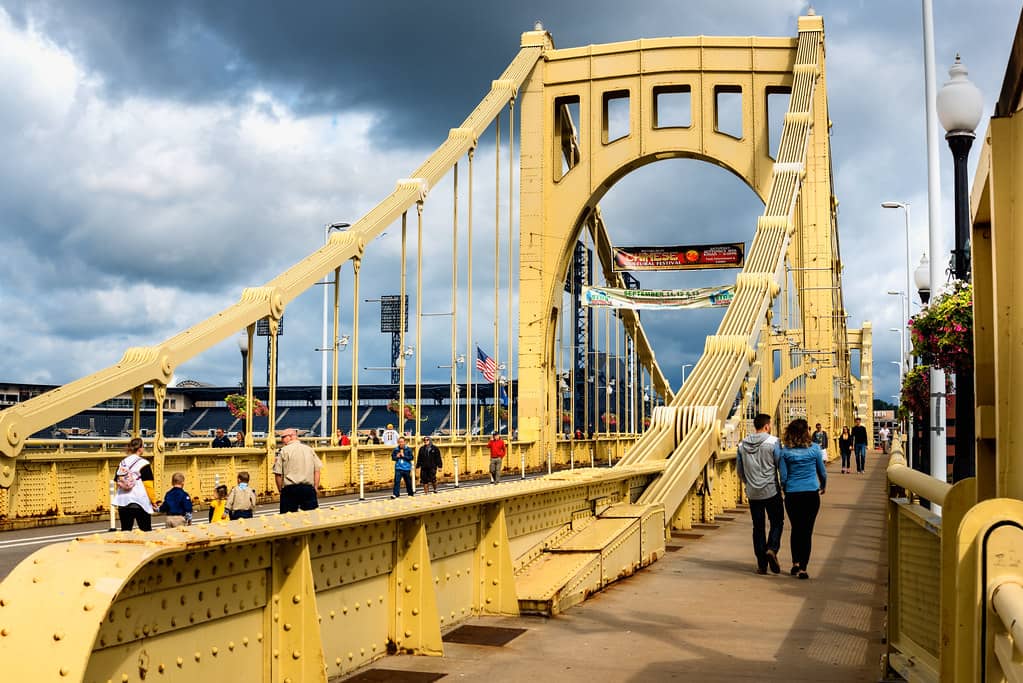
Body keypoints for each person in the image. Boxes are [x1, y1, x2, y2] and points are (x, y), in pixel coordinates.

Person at [777, 418, 827, 580]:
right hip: (811, 494)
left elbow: (783, 477)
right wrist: (823, 485)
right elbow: (822, 472)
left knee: (796, 529)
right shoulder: (815, 449)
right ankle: (803, 568)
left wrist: (786, 489)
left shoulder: (785, 452)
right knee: (807, 531)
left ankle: (795, 563)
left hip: (792, 495)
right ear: (806, 432)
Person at [736, 413, 783, 575]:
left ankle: (761, 564)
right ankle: (772, 548)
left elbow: (739, 471)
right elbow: (779, 466)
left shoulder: (742, 445)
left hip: (753, 493)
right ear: (767, 426)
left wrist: (748, 483)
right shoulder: (774, 442)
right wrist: (783, 484)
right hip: (771, 490)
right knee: (777, 521)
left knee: (758, 527)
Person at [273, 428, 323, 513]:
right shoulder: (309, 449)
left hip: (290, 489)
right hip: (308, 489)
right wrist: (315, 488)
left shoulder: (284, 451)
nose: (281, 440)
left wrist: (281, 490)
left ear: (291, 437)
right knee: (312, 517)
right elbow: (317, 470)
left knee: (287, 519)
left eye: (283, 437)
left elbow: (278, 474)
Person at [114, 438, 157, 531]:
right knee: (146, 531)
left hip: (123, 502)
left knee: (126, 531)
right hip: (140, 502)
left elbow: (117, 481)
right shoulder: (144, 464)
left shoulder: (122, 463)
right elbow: (148, 485)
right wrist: (153, 501)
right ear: (140, 449)